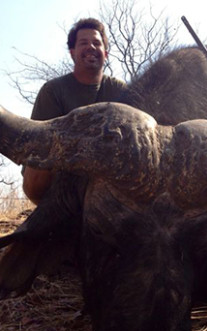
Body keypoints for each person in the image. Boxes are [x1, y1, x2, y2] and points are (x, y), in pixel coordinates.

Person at [22, 18, 127, 204]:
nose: (91, 47)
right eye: (83, 43)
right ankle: (54, 211)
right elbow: (39, 145)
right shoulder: (53, 90)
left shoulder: (121, 90)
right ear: (72, 53)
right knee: (36, 168)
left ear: (106, 53)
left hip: (109, 175)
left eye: (97, 43)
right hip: (65, 173)